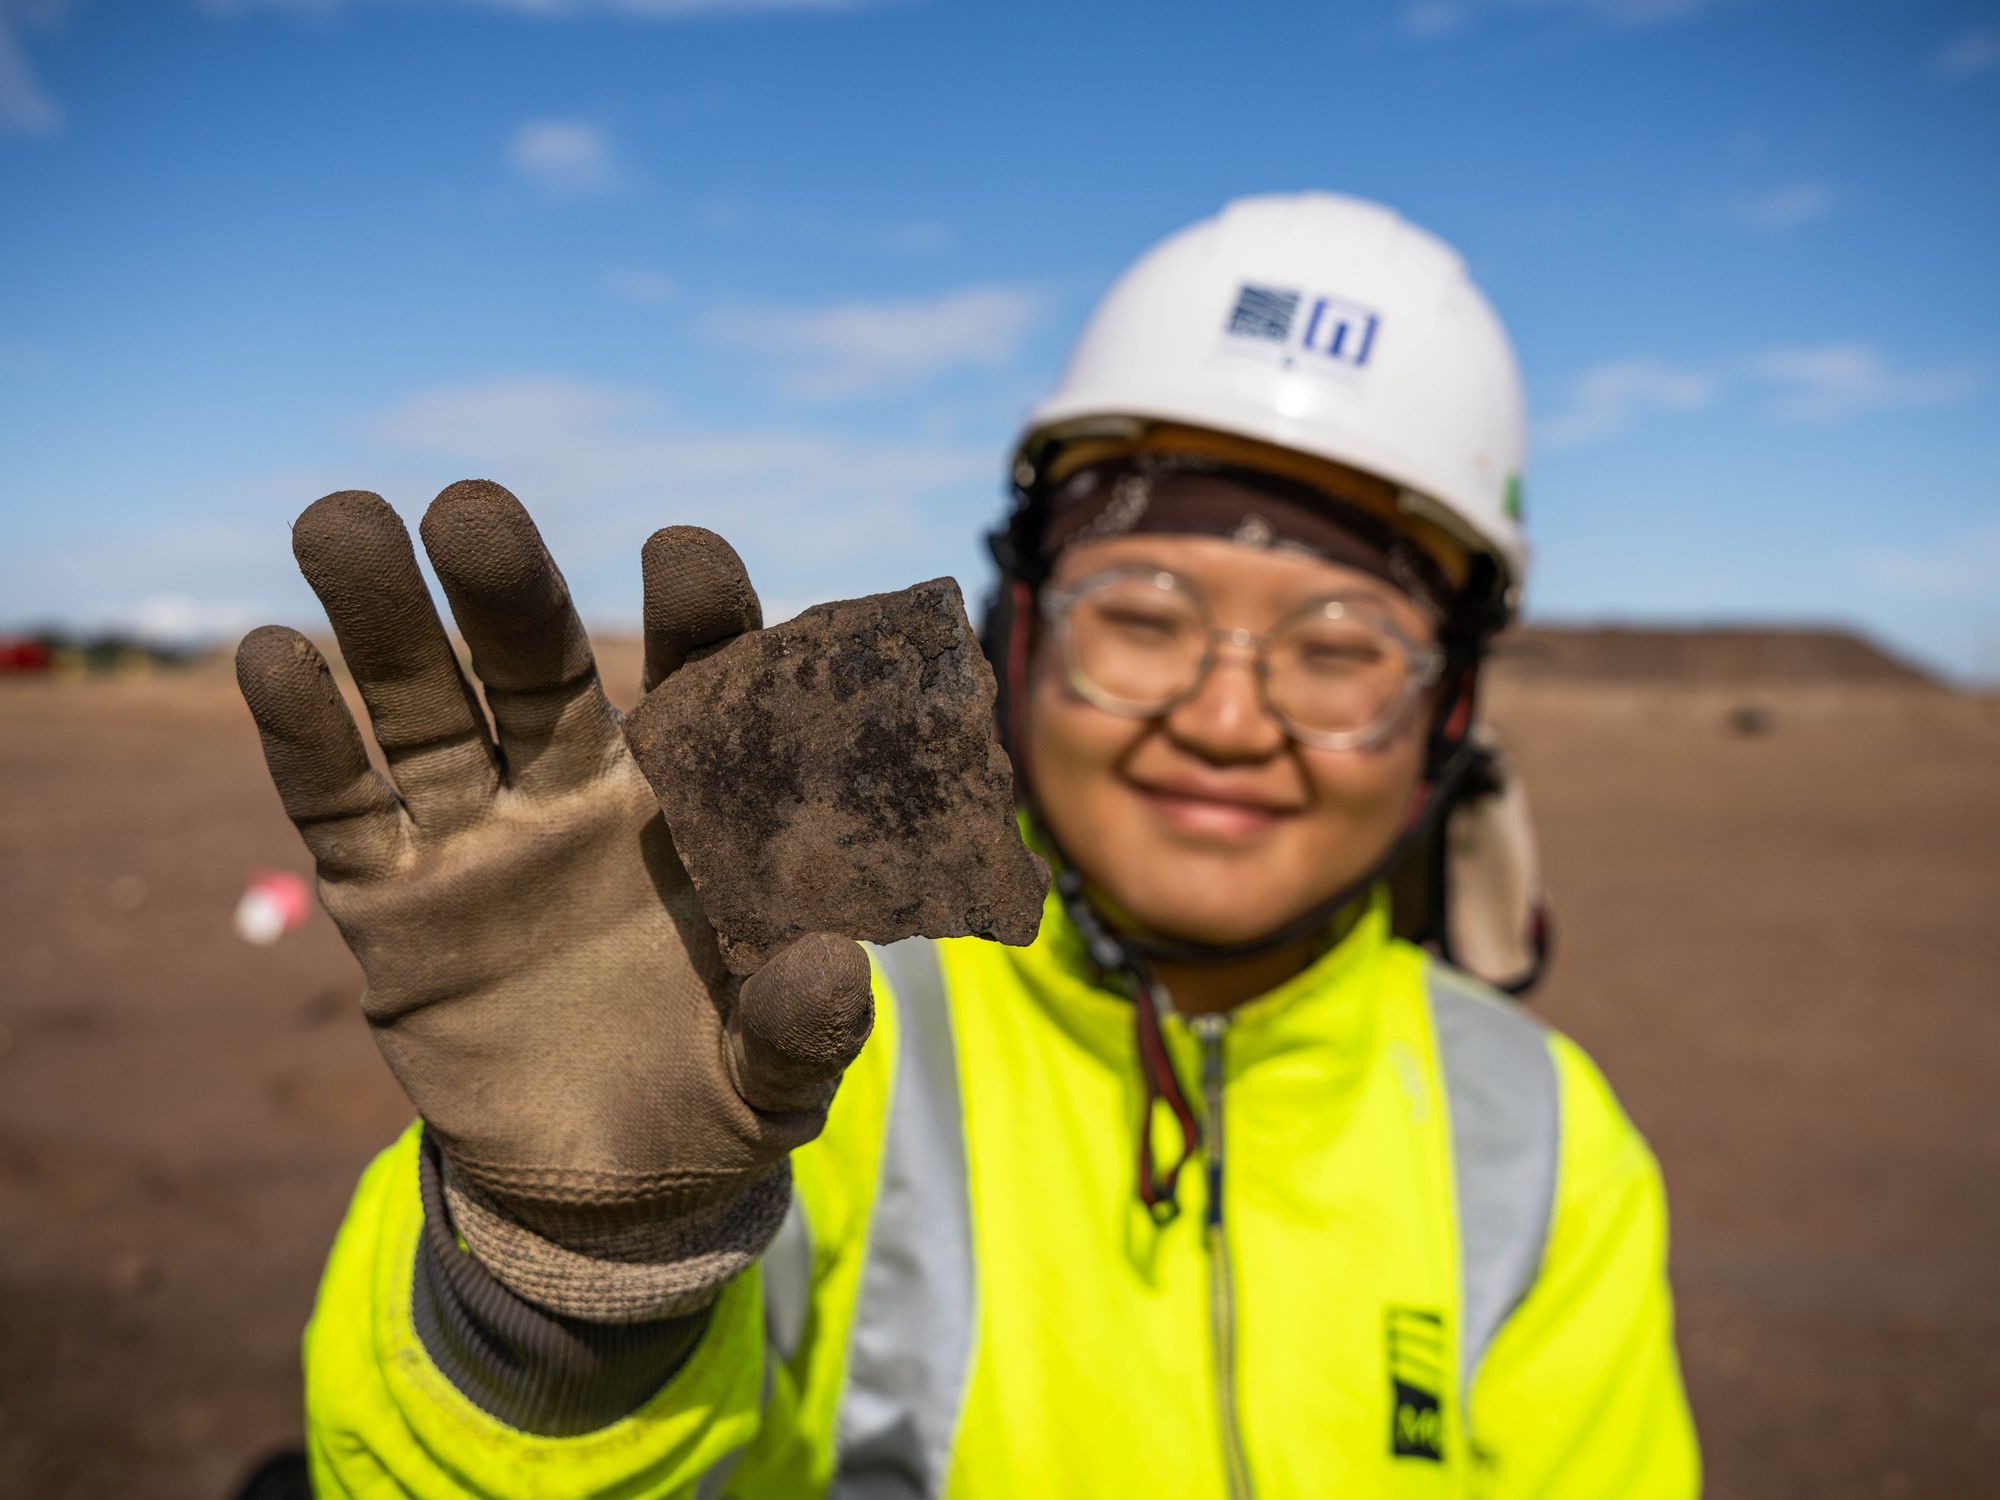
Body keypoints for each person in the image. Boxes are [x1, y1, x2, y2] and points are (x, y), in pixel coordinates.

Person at [236, 192, 1699, 1498]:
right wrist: (568, 1296)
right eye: (1145, 612)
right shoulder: (794, 1044)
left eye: (1344, 645)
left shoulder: (1544, 1148)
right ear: (1013, 637)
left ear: (1449, 716)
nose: (1230, 716)